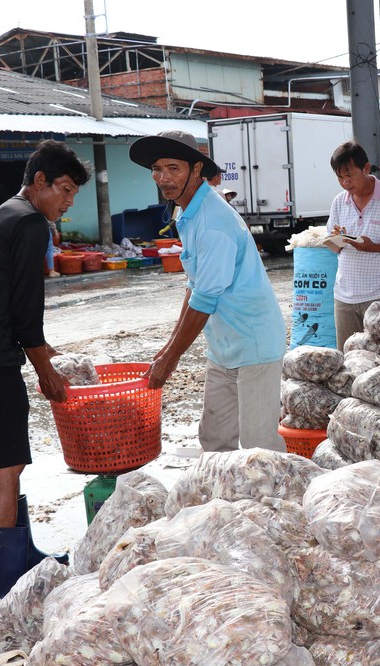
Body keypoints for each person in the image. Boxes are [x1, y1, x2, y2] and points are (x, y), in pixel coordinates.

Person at [0, 140, 90, 598]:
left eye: (74, 195)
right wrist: (46, 369)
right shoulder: (29, 223)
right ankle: (4, 583)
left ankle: (22, 553)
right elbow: (27, 311)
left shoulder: (8, 212)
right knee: (6, 462)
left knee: (12, 456)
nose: (66, 202)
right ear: (40, 181)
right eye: (64, 190)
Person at [129, 130, 286, 453]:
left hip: (253, 344)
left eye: (174, 168)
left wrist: (170, 360)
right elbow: (195, 285)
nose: (164, 178)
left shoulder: (213, 220)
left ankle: (275, 504)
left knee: (260, 449)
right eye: (157, 169)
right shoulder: (188, 212)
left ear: (196, 169)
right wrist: (168, 346)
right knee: (214, 441)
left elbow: (204, 300)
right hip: (223, 347)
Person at [326, 140, 380, 350]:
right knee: (349, 358)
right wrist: (336, 239)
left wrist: (372, 247)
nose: (345, 182)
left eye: (349, 175)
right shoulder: (339, 201)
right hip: (345, 296)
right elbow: (332, 246)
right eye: (340, 177)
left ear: (366, 168)